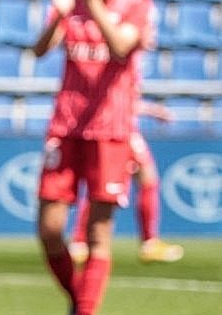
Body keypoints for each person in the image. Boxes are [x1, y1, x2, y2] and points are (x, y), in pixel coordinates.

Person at [32, 0, 158, 315]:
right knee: (50, 230)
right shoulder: (70, 2)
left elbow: (121, 47)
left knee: (98, 230)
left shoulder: (137, 6)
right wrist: (59, 16)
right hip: (66, 129)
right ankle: (79, 300)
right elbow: (39, 51)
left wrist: (93, 4)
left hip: (111, 131)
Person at [69, 100, 184, 265]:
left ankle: (80, 243)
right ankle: (80, 242)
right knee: (105, 186)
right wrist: (153, 110)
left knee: (142, 179)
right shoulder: (117, 75)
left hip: (120, 127)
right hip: (115, 129)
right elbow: (114, 98)